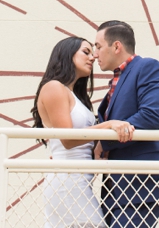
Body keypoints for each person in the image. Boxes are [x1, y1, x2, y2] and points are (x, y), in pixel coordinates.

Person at [31, 36, 135, 228]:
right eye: (85, 52)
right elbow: (68, 139)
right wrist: (109, 125)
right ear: (67, 54)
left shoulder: (77, 97)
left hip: (80, 181)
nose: (93, 57)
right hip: (66, 182)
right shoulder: (54, 87)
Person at [93, 20, 159, 227]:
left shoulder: (148, 67)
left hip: (140, 185)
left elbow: (152, 115)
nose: (95, 54)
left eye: (98, 46)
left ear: (117, 46)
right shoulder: (117, 80)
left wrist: (105, 141)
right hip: (115, 188)